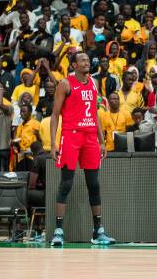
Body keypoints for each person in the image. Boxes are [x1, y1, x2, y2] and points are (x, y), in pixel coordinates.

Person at [50, 52, 114, 246]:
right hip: (71, 135)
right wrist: (53, 143)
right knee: (66, 183)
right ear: (74, 65)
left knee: (94, 184)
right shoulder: (65, 84)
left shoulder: (94, 83)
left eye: (88, 60)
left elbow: (95, 113)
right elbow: (54, 115)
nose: (87, 62)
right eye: (83, 60)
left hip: (90, 137)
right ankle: (58, 231)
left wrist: (102, 141)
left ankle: (98, 231)